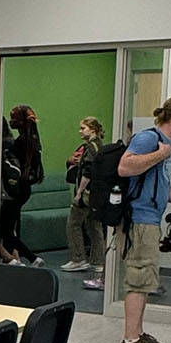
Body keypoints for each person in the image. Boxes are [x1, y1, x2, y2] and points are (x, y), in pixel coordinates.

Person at [113, 94, 171, 343]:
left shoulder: (165, 143)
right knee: (139, 279)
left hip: (151, 219)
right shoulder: (149, 139)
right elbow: (125, 167)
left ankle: (138, 333)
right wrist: (160, 154)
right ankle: (130, 340)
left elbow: (162, 184)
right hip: (139, 219)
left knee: (146, 280)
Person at [62, 116, 108, 290]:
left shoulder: (90, 148)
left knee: (73, 223)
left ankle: (78, 258)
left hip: (87, 193)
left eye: (83, 128)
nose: (81, 131)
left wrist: (80, 192)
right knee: (94, 227)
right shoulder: (100, 146)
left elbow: (88, 171)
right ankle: (98, 261)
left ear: (92, 130)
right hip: (97, 195)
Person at [0, 106, 42, 266]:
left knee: (4, 230)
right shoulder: (33, 139)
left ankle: (29, 258)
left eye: (14, 118)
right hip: (23, 188)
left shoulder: (16, 143)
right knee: (11, 226)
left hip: (14, 189)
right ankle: (15, 258)